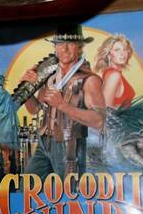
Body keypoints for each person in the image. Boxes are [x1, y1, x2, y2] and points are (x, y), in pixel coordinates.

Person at [20, 24, 106, 177]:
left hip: (70, 145)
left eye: (70, 44)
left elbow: (99, 120)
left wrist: (62, 105)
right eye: (60, 43)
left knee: (69, 193)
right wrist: (27, 88)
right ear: (55, 47)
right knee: (26, 188)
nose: (64, 49)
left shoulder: (90, 79)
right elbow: (34, 109)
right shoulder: (51, 76)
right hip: (44, 142)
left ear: (80, 48)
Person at [93, 34, 137, 110]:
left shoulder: (114, 74)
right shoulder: (113, 75)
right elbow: (106, 110)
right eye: (117, 50)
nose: (122, 53)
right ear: (109, 54)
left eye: (125, 49)